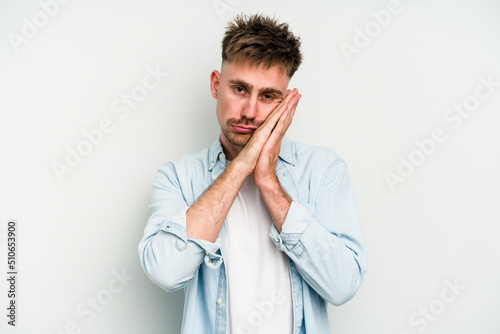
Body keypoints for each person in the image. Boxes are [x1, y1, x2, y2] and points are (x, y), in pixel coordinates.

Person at [138, 14, 367, 334]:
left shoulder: (323, 170)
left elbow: (342, 285)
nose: (250, 111)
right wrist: (241, 166)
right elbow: (165, 272)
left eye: (268, 96)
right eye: (240, 89)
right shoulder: (179, 176)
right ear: (216, 85)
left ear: (285, 102)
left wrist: (268, 182)